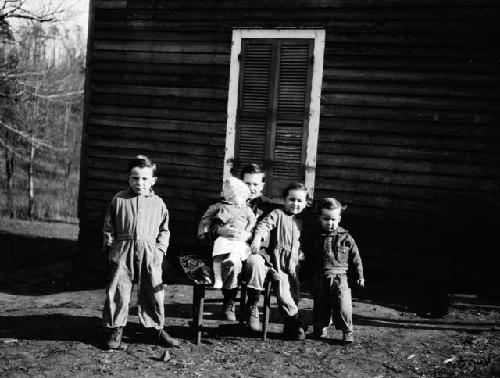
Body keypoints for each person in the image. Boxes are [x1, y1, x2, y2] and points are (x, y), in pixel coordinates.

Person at [101, 155, 179, 349]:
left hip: (149, 251)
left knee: (153, 290)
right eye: (135, 178)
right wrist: (112, 248)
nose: (140, 183)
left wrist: (160, 251)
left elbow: (164, 230)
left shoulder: (158, 203)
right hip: (123, 249)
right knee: (119, 290)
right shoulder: (119, 199)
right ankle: (116, 328)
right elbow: (108, 225)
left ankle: (156, 329)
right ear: (129, 179)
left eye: (145, 179)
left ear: (153, 180)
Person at [197, 164, 278, 322]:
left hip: (254, 250)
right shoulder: (228, 201)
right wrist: (220, 231)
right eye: (247, 183)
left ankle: (252, 305)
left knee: (255, 264)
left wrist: (248, 237)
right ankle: (229, 301)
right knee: (231, 263)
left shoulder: (268, 208)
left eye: (256, 184)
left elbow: (267, 234)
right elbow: (212, 224)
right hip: (229, 248)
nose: (252, 188)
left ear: (262, 186)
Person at [250, 183, 309, 340]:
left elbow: (301, 241)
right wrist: (257, 238)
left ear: (305, 203)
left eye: (299, 201)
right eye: (291, 199)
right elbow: (264, 225)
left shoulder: (301, 221)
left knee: (293, 294)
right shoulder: (277, 214)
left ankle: (290, 327)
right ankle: (297, 321)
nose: (295, 204)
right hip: (278, 261)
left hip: (294, 263)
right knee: (283, 293)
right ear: (284, 200)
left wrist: (301, 252)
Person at [303, 197, 364, 343]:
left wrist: (360, 275)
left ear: (339, 218)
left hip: (340, 277)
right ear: (319, 218)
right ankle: (320, 329)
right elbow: (308, 257)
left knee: (343, 305)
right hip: (320, 276)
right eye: (326, 219)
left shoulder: (346, 238)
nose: (330, 223)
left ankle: (347, 331)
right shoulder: (313, 237)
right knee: (320, 304)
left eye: (334, 219)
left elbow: (356, 258)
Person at [205, 177, 256, 292]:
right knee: (218, 253)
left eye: (243, 196)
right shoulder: (225, 207)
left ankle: (232, 258)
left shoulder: (247, 209)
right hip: (226, 237)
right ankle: (218, 279)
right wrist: (221, 229)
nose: (242, 199)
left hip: (240, 238)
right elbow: (217, 221)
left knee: (238, 249)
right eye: (237, 197)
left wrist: (247, 232)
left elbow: (252, 221)